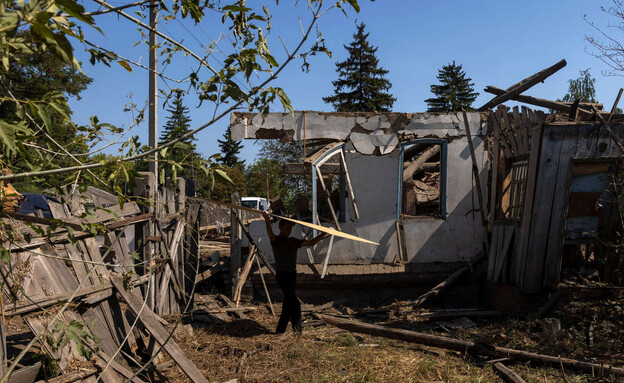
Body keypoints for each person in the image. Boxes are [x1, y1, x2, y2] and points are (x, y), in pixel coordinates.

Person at [261, 211, 328, 334]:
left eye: (290, 228)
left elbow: (312, 242)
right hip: (282, 275)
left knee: (288, 304)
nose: (289, 230)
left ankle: (280, 332)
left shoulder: (293, 241)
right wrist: (266, 219)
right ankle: (297, 332)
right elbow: (270, 233)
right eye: (287, 228)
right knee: (295, 303)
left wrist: (324, 233)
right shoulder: (276, 240)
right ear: (280, 227)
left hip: (292, 275)